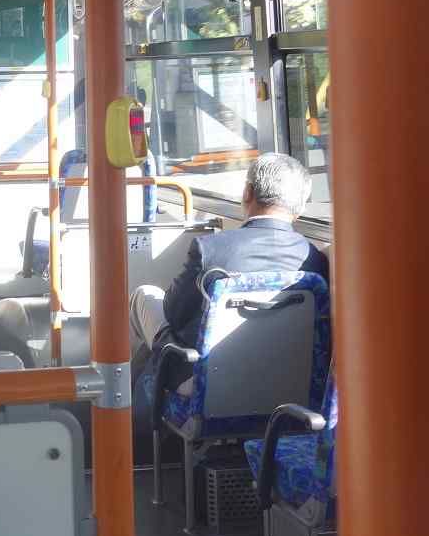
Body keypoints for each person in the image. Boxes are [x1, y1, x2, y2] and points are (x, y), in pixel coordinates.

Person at [131, 152, 327, 393]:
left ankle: (126, 402)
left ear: (248, 193)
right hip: (288, 383)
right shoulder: (314, 261)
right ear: (300, 207)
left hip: (207, 384)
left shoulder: (211, 249)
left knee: (144, 296)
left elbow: (173, 313)